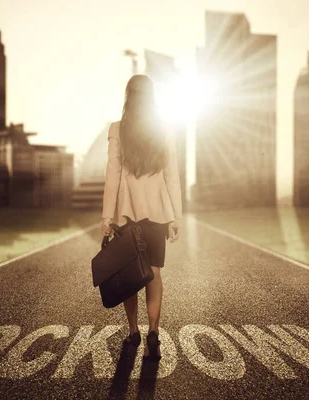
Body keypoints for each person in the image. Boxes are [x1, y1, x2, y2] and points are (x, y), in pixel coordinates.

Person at [100, 74, 183, 362]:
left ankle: (133, 330)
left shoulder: (117, 129)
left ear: (128, 97)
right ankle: (154, 332)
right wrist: (177, 216)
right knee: (154, 274)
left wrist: (106, 216)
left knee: (128, 274)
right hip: (158, 213)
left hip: (127, 214)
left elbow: (112, 176)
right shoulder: (165, 129)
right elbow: (172, 176)